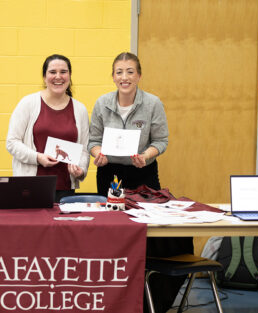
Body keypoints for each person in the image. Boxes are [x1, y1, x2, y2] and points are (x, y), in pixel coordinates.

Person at [88, 52, 193, 313]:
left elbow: (161, 141)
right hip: (110, 174)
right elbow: (93, 141)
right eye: (119, 72)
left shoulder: (153, 103)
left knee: (147, 231)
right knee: (112, 233)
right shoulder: (102, 103)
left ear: (139, 75)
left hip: (143, 172)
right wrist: (97, 155)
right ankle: (113, 292)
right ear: (113, 77)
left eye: (130, 71)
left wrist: (146, 155)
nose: (125, 77)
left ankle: (149, 294)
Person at [6, 54, 89, 202]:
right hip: (31, 186)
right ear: (44, 77)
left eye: (63, 72)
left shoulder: (80, 109)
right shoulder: (28, 103)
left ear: (70, 76)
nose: (58, 76)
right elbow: (12, 142)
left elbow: (83, 149)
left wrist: (81, 170)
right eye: (52, 72)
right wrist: (38, 158)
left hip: (65, 189)